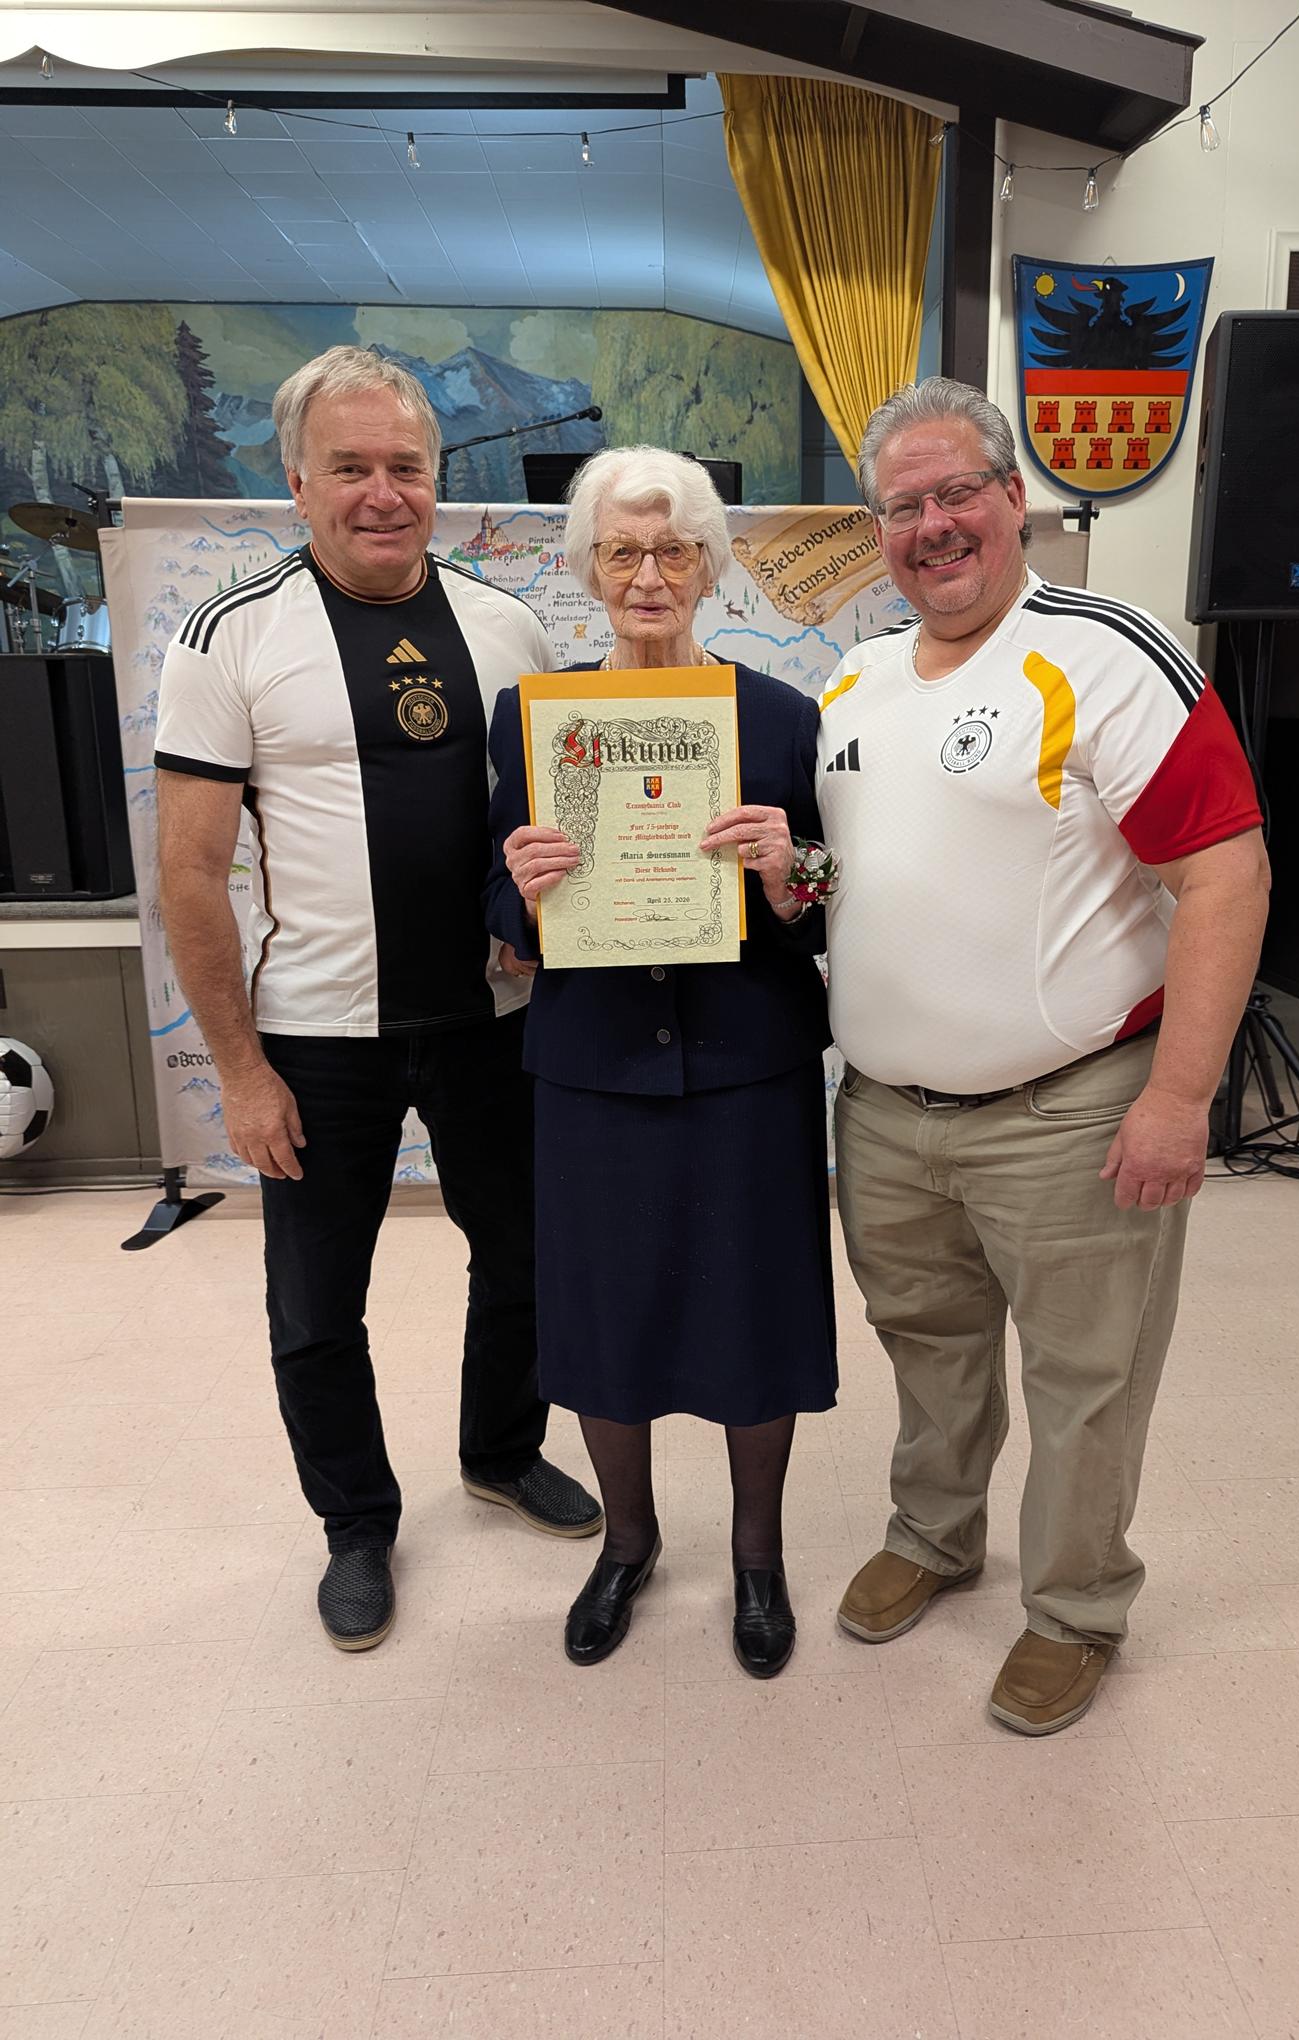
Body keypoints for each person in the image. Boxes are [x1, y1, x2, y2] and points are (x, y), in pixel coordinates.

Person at [819, 377, 1269, 1734]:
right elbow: (865, 875)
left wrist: (1182, 1097)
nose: (934, 525)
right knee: (928, 1347)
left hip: (1068, 1111)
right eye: (903, 505)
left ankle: (1075, 1608)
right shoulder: (855, 679)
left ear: (1016, 499)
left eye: (960, 491)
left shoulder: (1105, 654)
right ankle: (936, 1535)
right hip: (886, 1112)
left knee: (1086, 1378)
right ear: (877, 529)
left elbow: (1225, 874)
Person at [154, 345, 600, 1654]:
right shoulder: (230, 636)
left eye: (405, 465)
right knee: (314, 1304)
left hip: (493, 1022)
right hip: (315, 1041)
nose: (382, 492)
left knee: (524, 1262)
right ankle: (356, 1524)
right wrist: (241, 1072)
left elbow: (545, 826)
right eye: (348, 467)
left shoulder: (507, 627)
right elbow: (189, 874)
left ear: (436, 477)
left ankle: (500, 1452)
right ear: (297, 483)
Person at [485, 445, 836, 1678]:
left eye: (674, 548)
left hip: (748, 1064)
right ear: (589, 570)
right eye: (623, 551)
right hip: (593, 1069)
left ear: (709, 565)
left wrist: (791, 872)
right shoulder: (533, 716)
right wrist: (522, 891)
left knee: (755, 1309)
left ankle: (758, 1557)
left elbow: (830, 893)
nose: (648, 574)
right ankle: (626, 1544)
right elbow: (499, 895)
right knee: (605, 1314)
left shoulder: (783, 717)